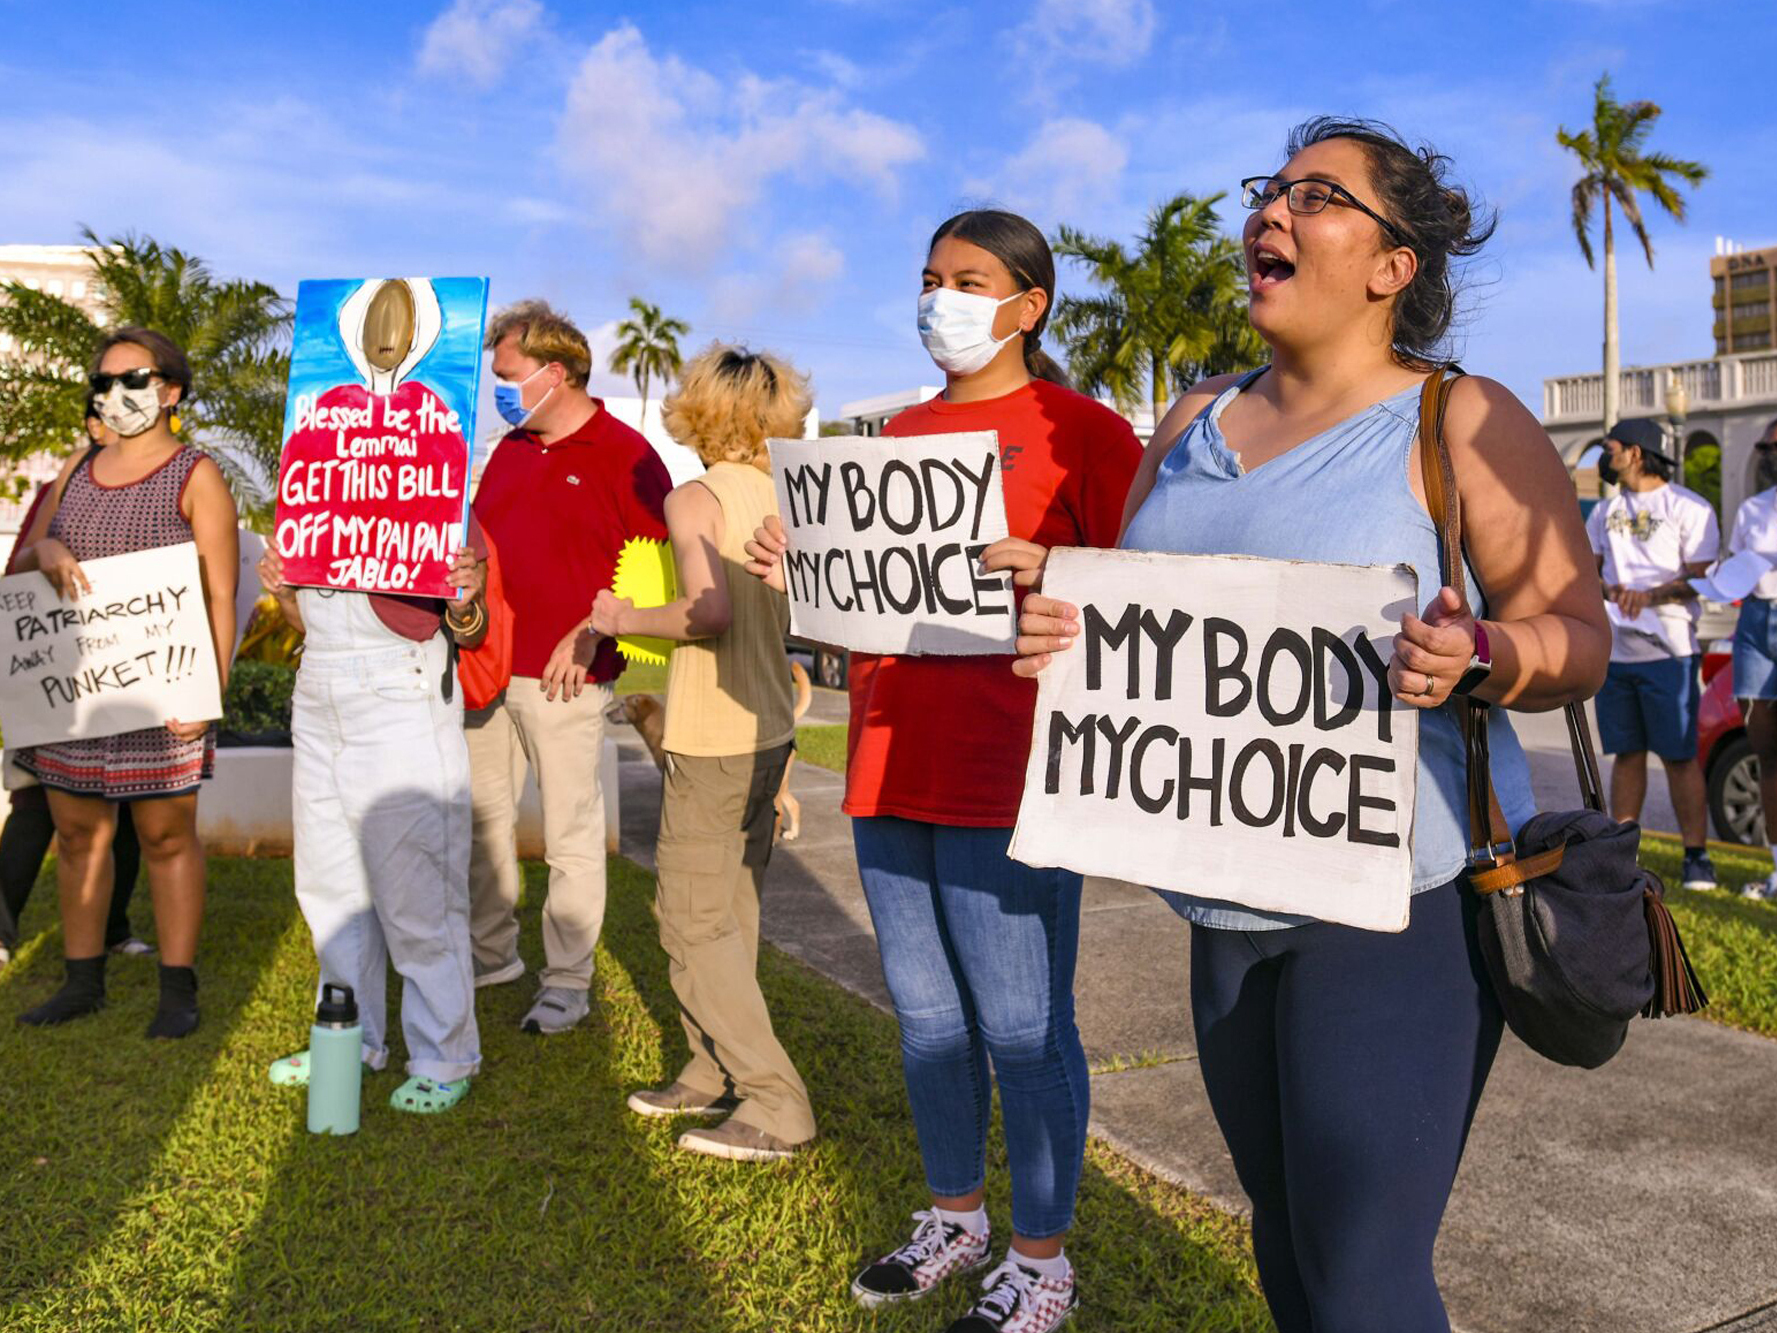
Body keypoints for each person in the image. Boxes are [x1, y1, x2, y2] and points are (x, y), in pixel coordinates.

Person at [1013, 119, 1608, 1331]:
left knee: (1365, 1281)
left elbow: (1574, 637)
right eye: (1269, 192)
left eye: (1317, 197)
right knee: (1284, 1245)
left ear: (1395, 266)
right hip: (1217, 912)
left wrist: (1483, 654)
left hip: (1393, 915)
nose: (1271, 214)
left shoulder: (1458, 423)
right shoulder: (1184, 425)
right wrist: (1059, 637)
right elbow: (1135, 623)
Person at [747, 211, 1141, 1332]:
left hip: (1010, 771)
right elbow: (854, 606)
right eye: (928, 279)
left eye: (969, 280)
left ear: (1030, 305)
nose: (941, 300)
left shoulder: (1085, 432)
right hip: (885, 757)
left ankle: (1041, 1257)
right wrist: (797, 562)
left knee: (1024, 1027)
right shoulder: (890, 435)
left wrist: (1059, 568)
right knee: (925, 1020)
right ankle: (954, 1215)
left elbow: (1149, 595)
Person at [590, 343, 818, 1163]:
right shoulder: (784, 497)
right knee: (732, 912)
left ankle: (773, 1100)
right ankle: (706, 1066)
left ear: (698, 411)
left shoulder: (695, 498)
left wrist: (619, 618)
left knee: (687, 918)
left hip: (713, 733)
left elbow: (706, 611)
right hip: (769, 732)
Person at [12, 328, 239, 1038]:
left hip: (163, 694)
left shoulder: (196, 473)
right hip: (77, 691)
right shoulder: (78, 466)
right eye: (103, 382)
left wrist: (209, 694)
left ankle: (177, 988)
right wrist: (45, 545)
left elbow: (220, 596)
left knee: (167, 834)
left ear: (171, 391)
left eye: (132, 379)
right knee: (78, 834)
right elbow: (26, 567)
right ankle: (83, 981)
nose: (115, 395)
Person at [468, 301, 671, 1034]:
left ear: (555, 375)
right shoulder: (509, 449)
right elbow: (488, 548)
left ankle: (566, 979)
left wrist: (590, 634)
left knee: (570, 834)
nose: (497, 388)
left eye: (507, 376)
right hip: (484, 672)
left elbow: (662, 573)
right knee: (483, 823)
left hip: (568, 679)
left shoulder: (627, 453)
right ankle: (490, 956)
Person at [257, 542, 488, 1113]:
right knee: (329, 885)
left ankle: (442, 1056)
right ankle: (347, 1039)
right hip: (317, 692)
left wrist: (465, 598)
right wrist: (288, 593)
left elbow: (472, 628)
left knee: (418, 893)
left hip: (401, 690)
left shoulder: (434, 463)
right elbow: (304, 619)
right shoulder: (312, 472)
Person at [0, 400, 148, 969]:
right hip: (54, 682)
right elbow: (18, 572)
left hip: (129, 680)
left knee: (131, 810)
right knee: (34, 807)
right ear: (91, 425)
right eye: (110, 410)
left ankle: (114, 927)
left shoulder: (155, 485)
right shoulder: (62, 487)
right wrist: (48, 550)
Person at [1586, 416, 1720, 888]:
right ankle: (1623, 853)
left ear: (1636, 453)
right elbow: (1592, 569)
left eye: (1611, 447)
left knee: (1679, 757)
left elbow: (1704, 575)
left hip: (1670, 651)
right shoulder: (1603, 512)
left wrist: (1651, 595)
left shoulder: (1691, 507)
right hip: (1617, 653)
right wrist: (1606, 587)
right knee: (1627, 754)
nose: (1605, 457)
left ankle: (1696, 857)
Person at [1724, 414, 1777, 901]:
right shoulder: (1754, 510)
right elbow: (1738, 564)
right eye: (1767, 450)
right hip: (1757, 625)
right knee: (1766, 749)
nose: (1772, 457)